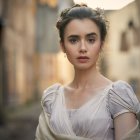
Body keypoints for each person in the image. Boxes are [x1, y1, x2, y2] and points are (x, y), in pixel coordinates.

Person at [35, 4, 140, 140]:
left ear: (101, 44)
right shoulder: (52, 99)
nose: (83, 48)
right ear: (63, 46)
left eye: (91, 40)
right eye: (73, 40)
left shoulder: (118, 96)